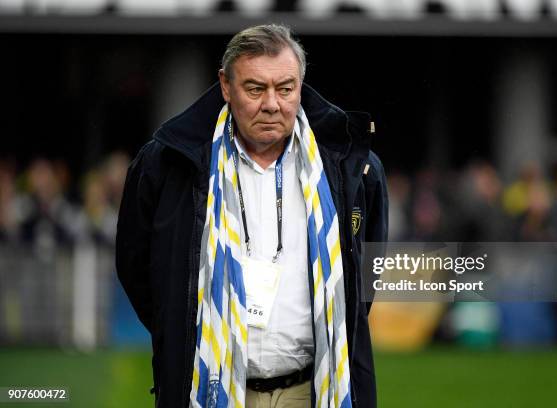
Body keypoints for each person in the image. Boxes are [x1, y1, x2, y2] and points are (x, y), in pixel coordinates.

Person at [116, 24, 388, 408]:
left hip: (312, 390)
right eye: (256, 89)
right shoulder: (166, 163)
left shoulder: (353, 168)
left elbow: (364, 277)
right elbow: (135, 266)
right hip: (210, 387)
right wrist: (182, 333)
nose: (272, 104)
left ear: (300, 86)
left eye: (285, 88)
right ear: (226, 86)